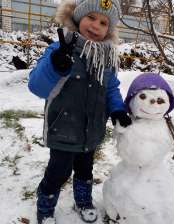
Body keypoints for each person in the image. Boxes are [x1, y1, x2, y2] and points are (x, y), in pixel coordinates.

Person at [28, 0, 132, 223]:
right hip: (63, 128)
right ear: (77, 17)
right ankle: (45, 204)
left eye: (103, 22)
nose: (96, 26)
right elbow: (36, 87)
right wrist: (55, 66)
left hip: (91, 130)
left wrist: (117, 109)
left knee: (85, 169)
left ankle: (82, 200)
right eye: (91, 18)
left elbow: (111, 87)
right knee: (59, 172)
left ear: (109, 30)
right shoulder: (60, 48)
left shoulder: (106, 57)